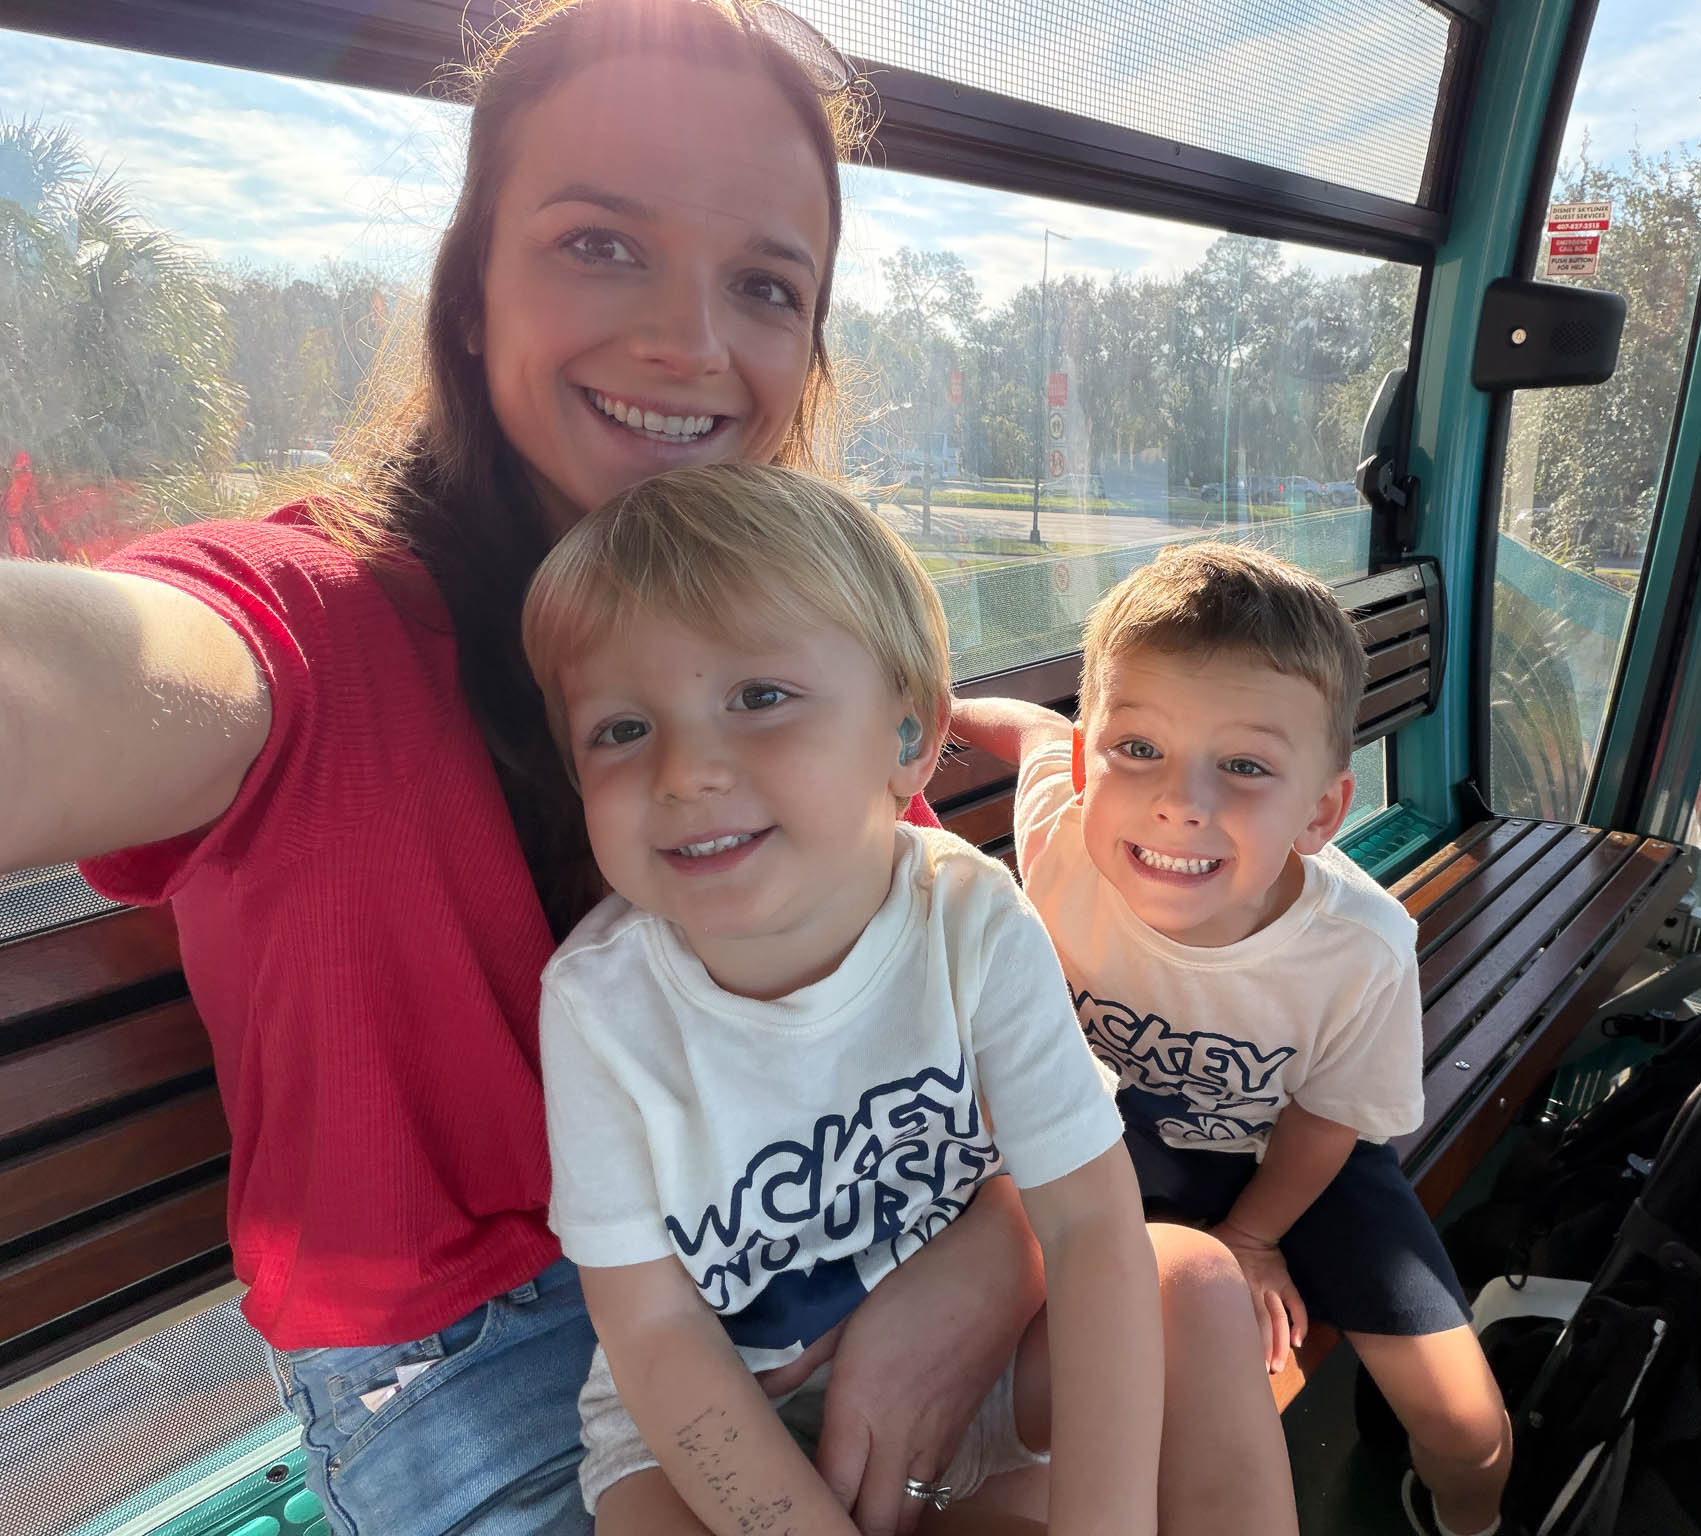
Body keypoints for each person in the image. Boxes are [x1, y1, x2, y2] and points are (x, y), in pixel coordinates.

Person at [0, 3, 1296, 1530]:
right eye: (599, 242)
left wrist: (983, 1252)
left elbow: (958, 1111)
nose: (689, 338)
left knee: (1193, 1296)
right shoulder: (314, 623)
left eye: (763, 282)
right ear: (470, 292)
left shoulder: (810, 665)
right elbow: (92, 677)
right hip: (487, 1361)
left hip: (845, 1240)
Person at [522, 465, 1160, 1534]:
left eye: (758, 697)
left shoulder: (968, 919)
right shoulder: (600, 1006)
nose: (683, 771)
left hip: (981, 1361)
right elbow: (651, 1330)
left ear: (906, 736)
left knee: (1191, 1298)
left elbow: (1091, 1221)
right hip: (717, 1418)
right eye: (621, 730)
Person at [951, 541, 1516, 1536]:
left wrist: (1251, 1237)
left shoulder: (1357, 947)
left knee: (1468, 1425)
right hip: (1097, 1152)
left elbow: (1328, 1120)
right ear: (1096, 761)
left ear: (1321, 812)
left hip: (1294, 1159)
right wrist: (935, 713)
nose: (1180, 802)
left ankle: (1462, 1517)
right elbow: (1038, 733)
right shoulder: (1060, 833)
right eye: (1138, 749)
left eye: (1245, 766)